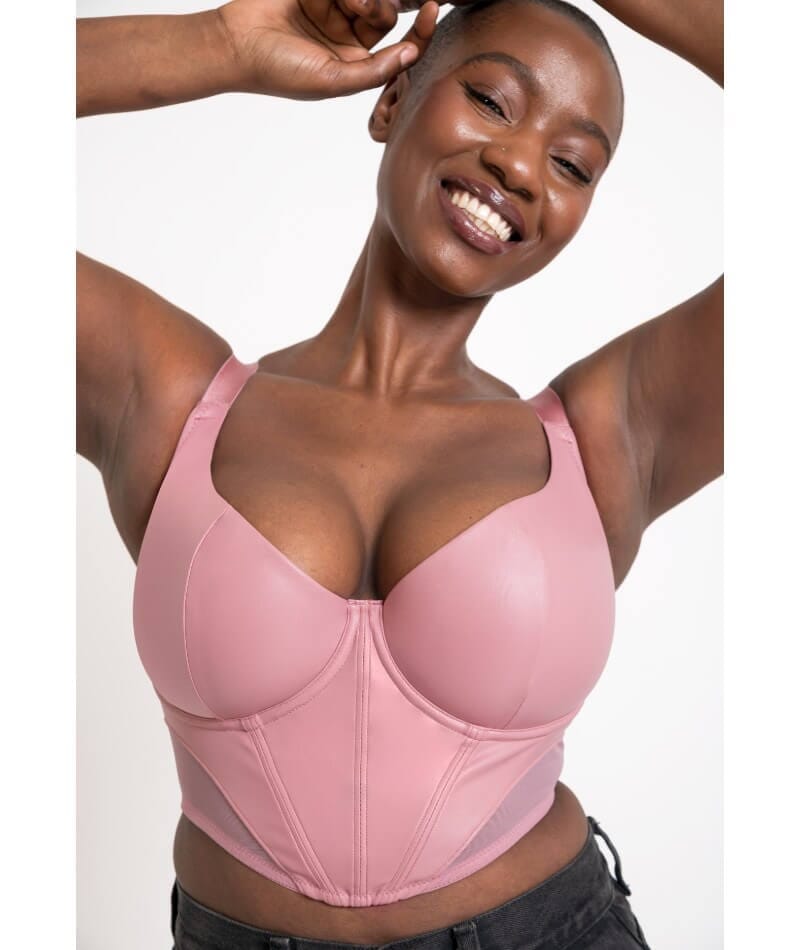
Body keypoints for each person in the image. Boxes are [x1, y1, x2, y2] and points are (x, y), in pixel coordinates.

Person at [76, 0, 722, 946]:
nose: (521, 166)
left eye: (573, 163)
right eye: (492, 101)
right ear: (392, 101)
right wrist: (221, 45)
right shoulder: (166, 396)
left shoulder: (613, 434)